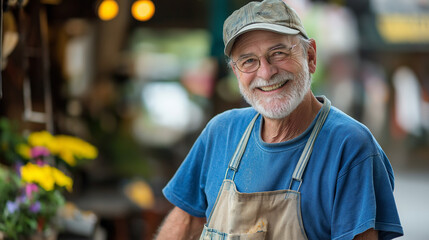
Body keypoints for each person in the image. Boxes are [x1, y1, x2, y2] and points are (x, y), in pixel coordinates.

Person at [155, 0, 403, 239]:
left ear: (311, 56)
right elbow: (185, 224)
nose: (266, 72)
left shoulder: (351, 146)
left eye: (278, 53)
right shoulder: (221, 132)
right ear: (236, 72)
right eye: (249, 61)